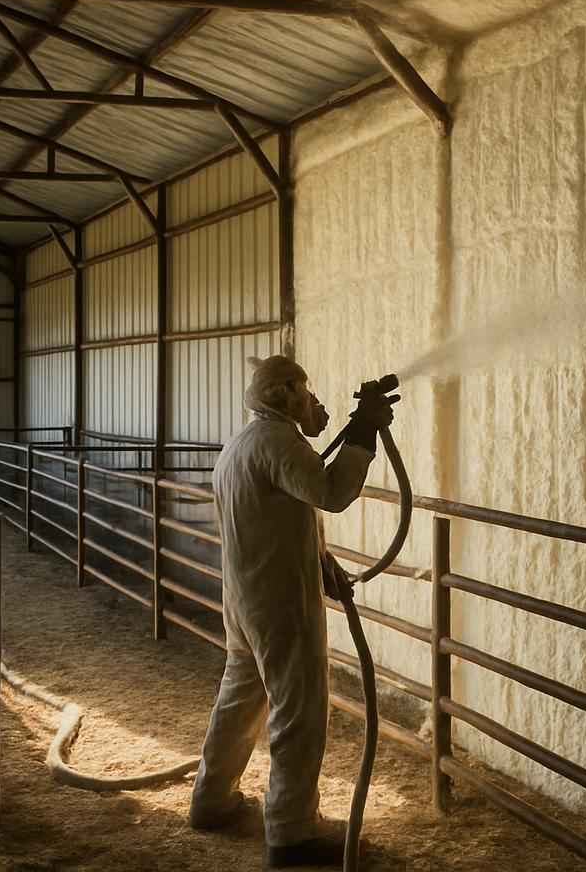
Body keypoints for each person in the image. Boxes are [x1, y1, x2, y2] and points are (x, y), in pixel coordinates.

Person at [187, 355, 395, 868]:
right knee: (299, 713)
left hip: (244, 600)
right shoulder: (280, 443)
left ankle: (212, 800)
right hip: (281, 604)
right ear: (284, 395)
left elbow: (281, 514)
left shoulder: (241, 444)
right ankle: (291, 830)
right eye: (305, 392)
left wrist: (322, 563)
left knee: (239, 702)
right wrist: (365, 432)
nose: (313, 401)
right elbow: (329, 492)